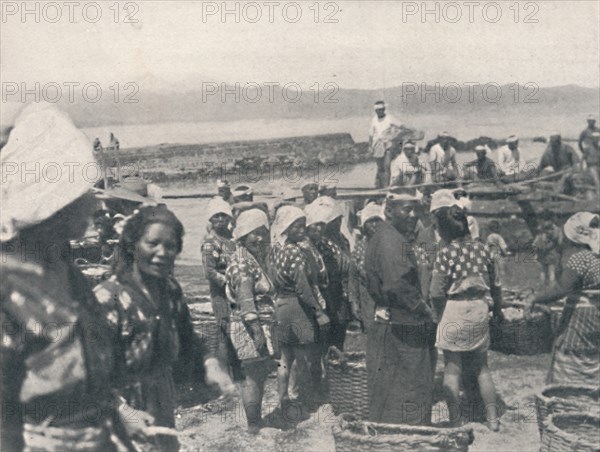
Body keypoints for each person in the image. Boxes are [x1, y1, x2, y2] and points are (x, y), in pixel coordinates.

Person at [0, 103, 146, 451]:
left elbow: (89, 365)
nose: (96, 205)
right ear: (55, 203)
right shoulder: (9, 289)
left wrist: (120, 414)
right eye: (85, 194)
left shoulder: (67, 271)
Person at [95, 206, 235, 450]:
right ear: (131, 246)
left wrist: (210, 363)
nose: (162, 253)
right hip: (114, 408)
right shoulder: (107, 298)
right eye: (153, 243)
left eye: (170, 246)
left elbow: (188, 336)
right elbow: (87, 373)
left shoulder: (169, 289)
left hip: (160, 397)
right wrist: (124, 413)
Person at [429, 204, 504, 431]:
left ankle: (455, 420)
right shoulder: (484, 250)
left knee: (452, 368)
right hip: (480, 307)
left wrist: (438, 314)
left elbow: (435, 292)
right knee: (482, 367)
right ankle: (492, 419)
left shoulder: (445, 254)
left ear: (444, 231)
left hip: (454, 307)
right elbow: (496, 285)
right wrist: (498, 309)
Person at [364, 189, 435, 425]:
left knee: (392, 383)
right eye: (406, 209)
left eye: (416, 209)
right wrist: (422, 308)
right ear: (389, 210)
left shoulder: (390, 236)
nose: (413, 215)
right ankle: (412, 434)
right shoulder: (390, 240)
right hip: (403, 322)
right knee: (412, 381)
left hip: (395, 320)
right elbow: (396, 284)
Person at [525, 212, 599, 385]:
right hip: (596, 314)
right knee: (593, 357)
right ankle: (591, 392)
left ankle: (569, 393)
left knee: (571, 353)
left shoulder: (580, 258)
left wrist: (535, 298)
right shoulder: (596, 257)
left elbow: (562, 288)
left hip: (581, 318)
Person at [269, 206, 330, 413]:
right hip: (296, 306)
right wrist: (319, 312)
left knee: (285, 358)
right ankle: (305, 398)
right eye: (297, 226)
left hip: (281, 305)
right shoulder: (295, 252)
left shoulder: (277, 249)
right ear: (287, 227)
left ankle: (283, 397)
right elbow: (303, 287)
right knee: (303, 355)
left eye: (303, 226)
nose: (302, 230)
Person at [225, 209, 278, 434]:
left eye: (262, 233)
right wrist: (256, 331)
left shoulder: (248, 257)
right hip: (248, 326)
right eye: (254, 233)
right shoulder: (242, 262)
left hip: (255, 324)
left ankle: (255, 421)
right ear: (243, 235)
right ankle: (254, 424)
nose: (259, 238)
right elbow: (246, 299)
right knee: (253, 376)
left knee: (257, 374)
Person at [305, 200, 352, 351]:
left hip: (337, 293)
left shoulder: (335, 242)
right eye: (334, 221)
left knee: (338, 331)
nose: (337, 224)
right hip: (320, 295)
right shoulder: (305, 246)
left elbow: (346, 265)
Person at [201, 197, 240, 378]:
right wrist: (228, 282)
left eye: (223, 216)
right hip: (221, 294)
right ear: (210, 220)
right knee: (224, 332)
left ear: (229, 219)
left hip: (239, 292)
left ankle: (238, 371)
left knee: (238, 329)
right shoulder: (210, 243)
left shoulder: (234, 240)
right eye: (216, 217)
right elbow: (209, 271)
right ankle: (226, 376)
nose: (219, 220)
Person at [348, 203, 385, 333]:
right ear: (364, 225)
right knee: (371, 335)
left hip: (387, 299)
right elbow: (353, 277)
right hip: (367, 299)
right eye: (370, 221)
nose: (374, 225)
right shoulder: (359, 247)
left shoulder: (390, 244)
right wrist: (354, 302)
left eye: (377, 220)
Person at [368, 101, 402, 188]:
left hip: (387, 145)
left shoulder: (390, 118)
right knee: (380, 168)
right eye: (377, 110)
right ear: (375, 111)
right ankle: (379, 185)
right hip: (377, 145)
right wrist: (370, 146)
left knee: (387, 166)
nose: (379, 111)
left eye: (381, 110)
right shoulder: (374, 119)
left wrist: (395, 136)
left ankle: (386, 187)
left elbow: (401, 125)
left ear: (384, 109)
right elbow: (371, 134)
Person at [533, 211, 561, 284]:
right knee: (552, 272)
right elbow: (558, 241)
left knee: (543, 272)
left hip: (541, 253)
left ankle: (542, 288)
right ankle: (552, 289)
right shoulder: (555, 229)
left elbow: (536, 242)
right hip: (551, 253)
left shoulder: (540, 228)